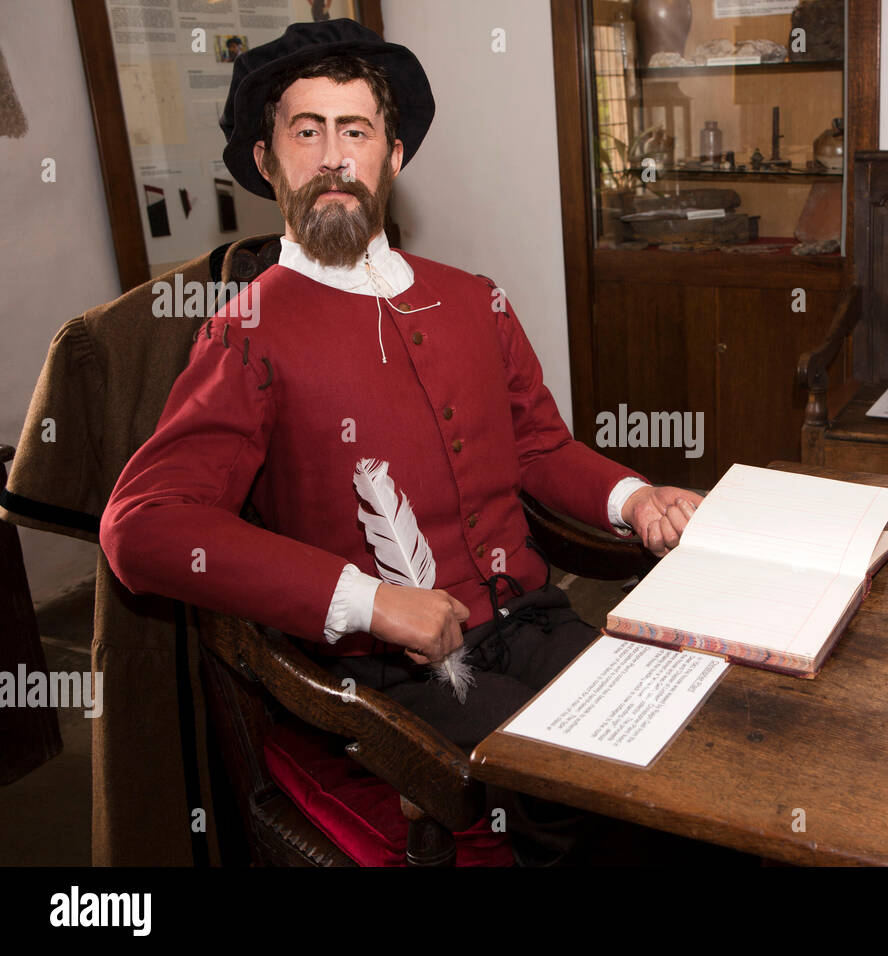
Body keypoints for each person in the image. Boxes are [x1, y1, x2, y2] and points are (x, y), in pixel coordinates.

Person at [99, 19, 701, 861]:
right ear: (268, 163)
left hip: (535, 617)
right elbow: (143, 526)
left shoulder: (473, 299)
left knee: (690, 747)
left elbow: (538, 449)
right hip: (385, 673)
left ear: (395, 155)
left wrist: (635, 498)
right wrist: (368, 599)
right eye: (306, 132)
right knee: (580, 791)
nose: (334, 156)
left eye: (356, 131)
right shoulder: (246, 335)